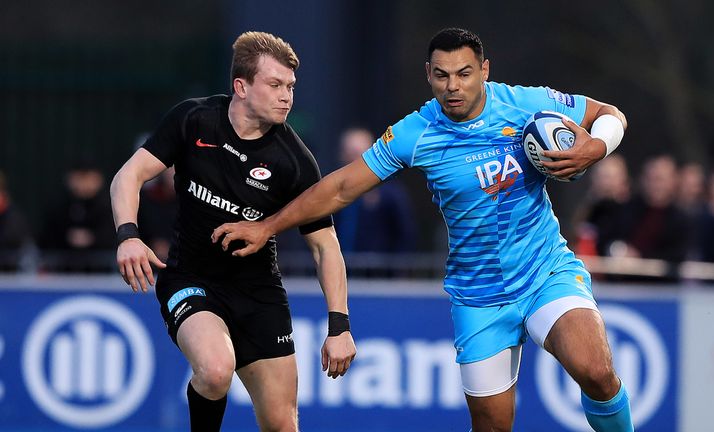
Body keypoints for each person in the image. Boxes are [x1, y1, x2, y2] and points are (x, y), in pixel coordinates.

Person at [213, 28, 632, 432]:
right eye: (442, 75)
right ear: (428, 75)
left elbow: (608, 115)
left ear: (484, 70)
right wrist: (268, 226)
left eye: (464, 74)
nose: (453, 86)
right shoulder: (416, 132)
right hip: (478, 296)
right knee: (492, 426)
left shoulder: (524, 104)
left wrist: (596, 146)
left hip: (544, 273)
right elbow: (340, 188)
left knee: (594, 369)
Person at [110, 31, 356, 432]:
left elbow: (325, 248)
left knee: (282, 424)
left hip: (258, 294)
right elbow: (128, 176)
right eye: (275, 85)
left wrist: (340, 326)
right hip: (191, 279)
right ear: (241, 86)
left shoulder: (295, 162)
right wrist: (128, 235)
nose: (286, 96)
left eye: (291, 87)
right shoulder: (194, 120)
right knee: (214, 369)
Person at [333, 127, 416, 254]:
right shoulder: (332, 192)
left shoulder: (391, 194)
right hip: (341, 267)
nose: (352, 160)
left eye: (357, 154)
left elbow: (405, 234)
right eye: (348, 153)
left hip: (378, 270)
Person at [39, 162, 115, 272]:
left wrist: (92, 238)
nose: (83, 184)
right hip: (63, 271)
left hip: (101, 272)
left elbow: (114, 236)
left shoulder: (108, 204)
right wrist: (67, 237)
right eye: (79, 178)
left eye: (87, 178)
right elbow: (47, 238)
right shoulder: (59, 205)